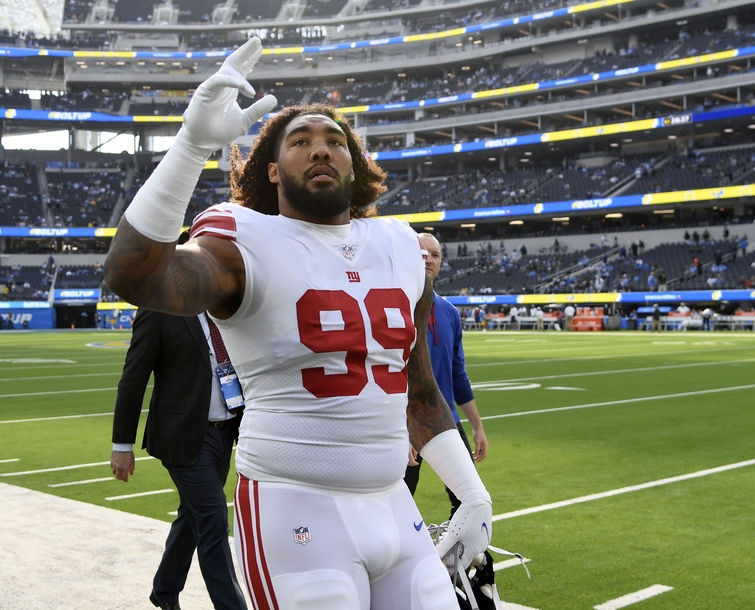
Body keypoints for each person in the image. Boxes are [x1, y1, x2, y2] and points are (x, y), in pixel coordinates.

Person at [104, 38, 491, 610]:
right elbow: (135, 275)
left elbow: (418, 387)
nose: (320, 149)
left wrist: (471, 493)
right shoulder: (244, 241)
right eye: (301, 140)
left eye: (335, 140)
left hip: (392, 504)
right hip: (295, 506)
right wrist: (190, 146)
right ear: (272, 170)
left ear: (355, 165)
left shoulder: (400, 246)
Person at [110, 306, 247, 610]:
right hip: (182, 434)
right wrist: (122, 444)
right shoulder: (157, 310)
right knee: (212, 519)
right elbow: (133, 376)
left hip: (224, 432)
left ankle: (165, 589)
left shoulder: (223, 308)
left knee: (192, 514)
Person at [404, 233, 489, 519]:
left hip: (445, 419)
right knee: (397, 504)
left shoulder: (450, 312)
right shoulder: (392, 308)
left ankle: (464, 562)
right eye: (422, 252)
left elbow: (457, 374)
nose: (429, 259)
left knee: (470, 501)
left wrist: (476, 425)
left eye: (436, 254)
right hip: (403, 423)